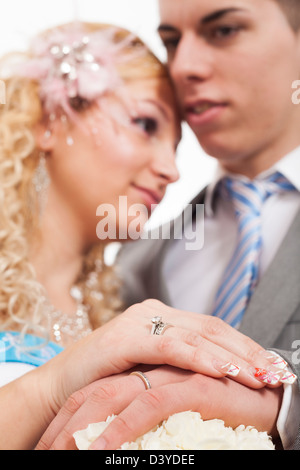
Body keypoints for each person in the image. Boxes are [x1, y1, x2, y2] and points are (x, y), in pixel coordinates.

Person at [0, 19, 280, 450]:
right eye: (147, 125)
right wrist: (49, 387)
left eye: (175, 146)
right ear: (49, 119)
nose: (171, 169)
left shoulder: (118, 305)